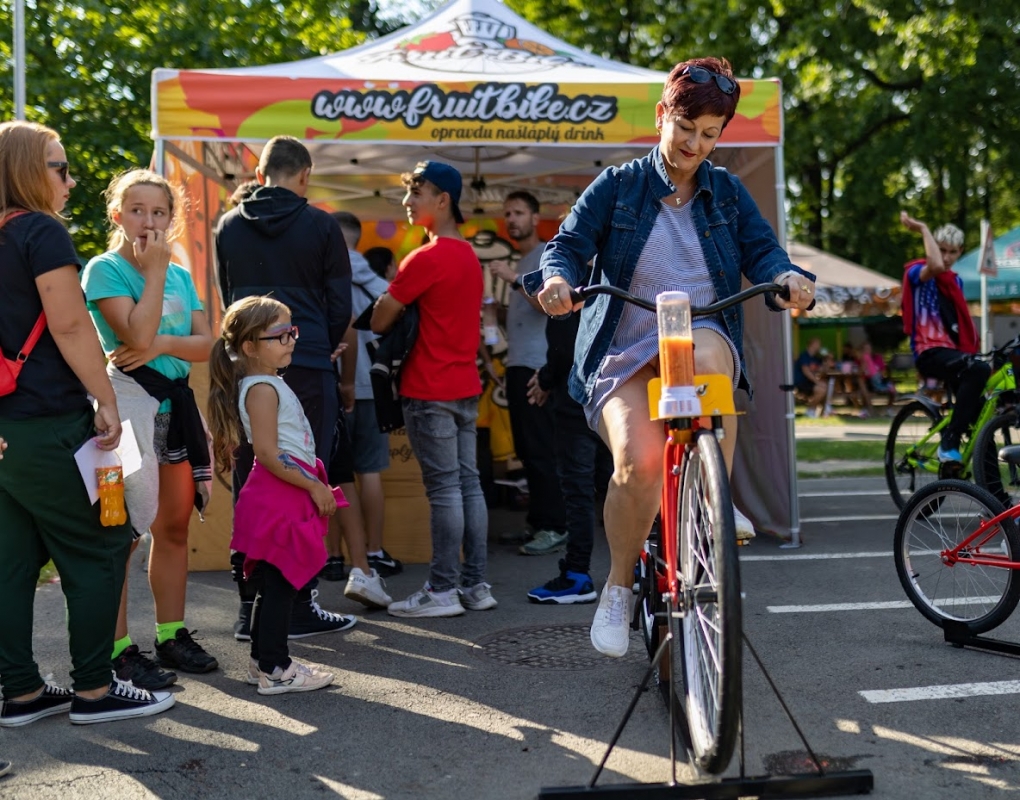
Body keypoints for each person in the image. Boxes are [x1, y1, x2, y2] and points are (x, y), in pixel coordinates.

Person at [525, 58, 815, 657]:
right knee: (639, 464)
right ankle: (617, 588)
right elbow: (569, 246)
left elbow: (763, 252)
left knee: (710, 350)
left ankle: (715, 495)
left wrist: (786, 276)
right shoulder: (618, 185)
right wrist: (556, 280)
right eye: (686, 125)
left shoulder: (727, 191)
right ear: (663, 115)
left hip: (696, 337)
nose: (694, 143)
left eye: (710, 133)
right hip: (625, 349)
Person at [0, 120, 173, 725]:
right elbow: (72, 326)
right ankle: (95, 690)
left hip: (7, 430)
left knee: (12, 562)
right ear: (25, 169)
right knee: (102, 545)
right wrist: (104, 399)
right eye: (59, 167)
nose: (70, 181)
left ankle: (19, 691)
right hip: (49, 419)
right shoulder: (39, 232)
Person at [215, 135, 363, 639]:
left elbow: (227, 306)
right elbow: (340, 305)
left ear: (260, 175)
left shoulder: (228, 226)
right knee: (306, 476)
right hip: (308, 356)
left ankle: (247, 609)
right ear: (304, 175)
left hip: (249, 362)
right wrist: (316, 344)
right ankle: (298, 604)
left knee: (251, 480)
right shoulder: (322, 224)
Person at [81, 169, 217, 690]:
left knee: (174, 527)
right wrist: (156, 274)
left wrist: (160, 344)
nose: (149, 221)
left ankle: (171, 633)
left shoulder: (182, 274)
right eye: (137, 210)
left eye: (159, 212)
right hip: (125, 410)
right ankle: (117, 648)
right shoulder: (106, 268)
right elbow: (132, 332)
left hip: (175, 407)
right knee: (122, 534)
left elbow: (206, 346)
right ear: (117, 214)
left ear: (171, 218)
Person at [371, 161, 496, 618]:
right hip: (464, 385)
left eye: (416, 193)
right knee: (469, 486)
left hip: (429, 388)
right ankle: (475, 585)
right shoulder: (468, 257)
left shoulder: (425, 257)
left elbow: (382, 318)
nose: (408, 202)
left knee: (446, 489)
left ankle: (442, 590)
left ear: (442, 200)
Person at [208, 296, 339, 695]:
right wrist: (314, 485)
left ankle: (264, 662)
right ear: (250, 347)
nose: (291, 341)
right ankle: (276, 668)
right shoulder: (262, 388)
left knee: (275, 583)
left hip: (282, 490)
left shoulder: (267, 382)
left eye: (291, 332)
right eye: (280, 336)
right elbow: (266, 453)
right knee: (282, 583)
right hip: (280, 492)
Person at [488, 192, 568, 555]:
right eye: (508, 213)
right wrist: (496, 317)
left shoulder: (548, 255)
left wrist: (514, 279)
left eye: (519, 213)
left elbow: (553, 304)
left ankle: (554, 526)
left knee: (540, 450)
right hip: (520, 364)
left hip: (538, 368)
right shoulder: (524, 259)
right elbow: (525, 316)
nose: (512, 219)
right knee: (527, 450)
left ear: (536, 218)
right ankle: (538, 523)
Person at [333, 211, 403, 580]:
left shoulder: (328, 272)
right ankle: (373, 551)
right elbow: (397, 301)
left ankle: (333, 556)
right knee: (369, 471)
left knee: (331, 473)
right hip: (372, 386)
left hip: (336, 386)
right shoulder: (374, 283)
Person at [525, 312, 613, 603]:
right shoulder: (621, 275)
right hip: (618, 397)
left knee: (579, 492)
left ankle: (577, 574)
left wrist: (546, 378)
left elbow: (565, 349)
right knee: (623, 484)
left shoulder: (568, 281)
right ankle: (637, 569)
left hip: (576, 401)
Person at [900, 211, 985, 463]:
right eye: (941, 249)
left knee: (981, 421)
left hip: (954, 354)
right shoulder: (918, 273)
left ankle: (996, 496)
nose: (946, 258)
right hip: (928, 353)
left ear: (960, 252)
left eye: (952, 252)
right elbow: (935, 265)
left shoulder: (954, 282)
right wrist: (923, 228)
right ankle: (949, 440)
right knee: (979, 369)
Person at [794, 338, 828, 417]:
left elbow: (822, 370)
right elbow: (806, 372)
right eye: (818, 344)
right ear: (812, 344)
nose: (820, 346)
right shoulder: (804, 356)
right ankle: (810, 410)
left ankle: (819, 410)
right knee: (821, 389)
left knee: (826, 386)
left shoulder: (816, 358)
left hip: (809, 382)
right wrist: (817, 382)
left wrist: (826, 360)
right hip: (801, 382)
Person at [859, 342, 897, 406]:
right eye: (865, 349)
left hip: (878, 377)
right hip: (868, 380)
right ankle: (868, 406)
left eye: (868, 348)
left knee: (885, 383)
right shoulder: (864, 357)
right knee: (867, 383)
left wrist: (878, 373)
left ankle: (889, 406)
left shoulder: (877, 357)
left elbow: (883, 370)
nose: (867, 350)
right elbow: (861, 370)